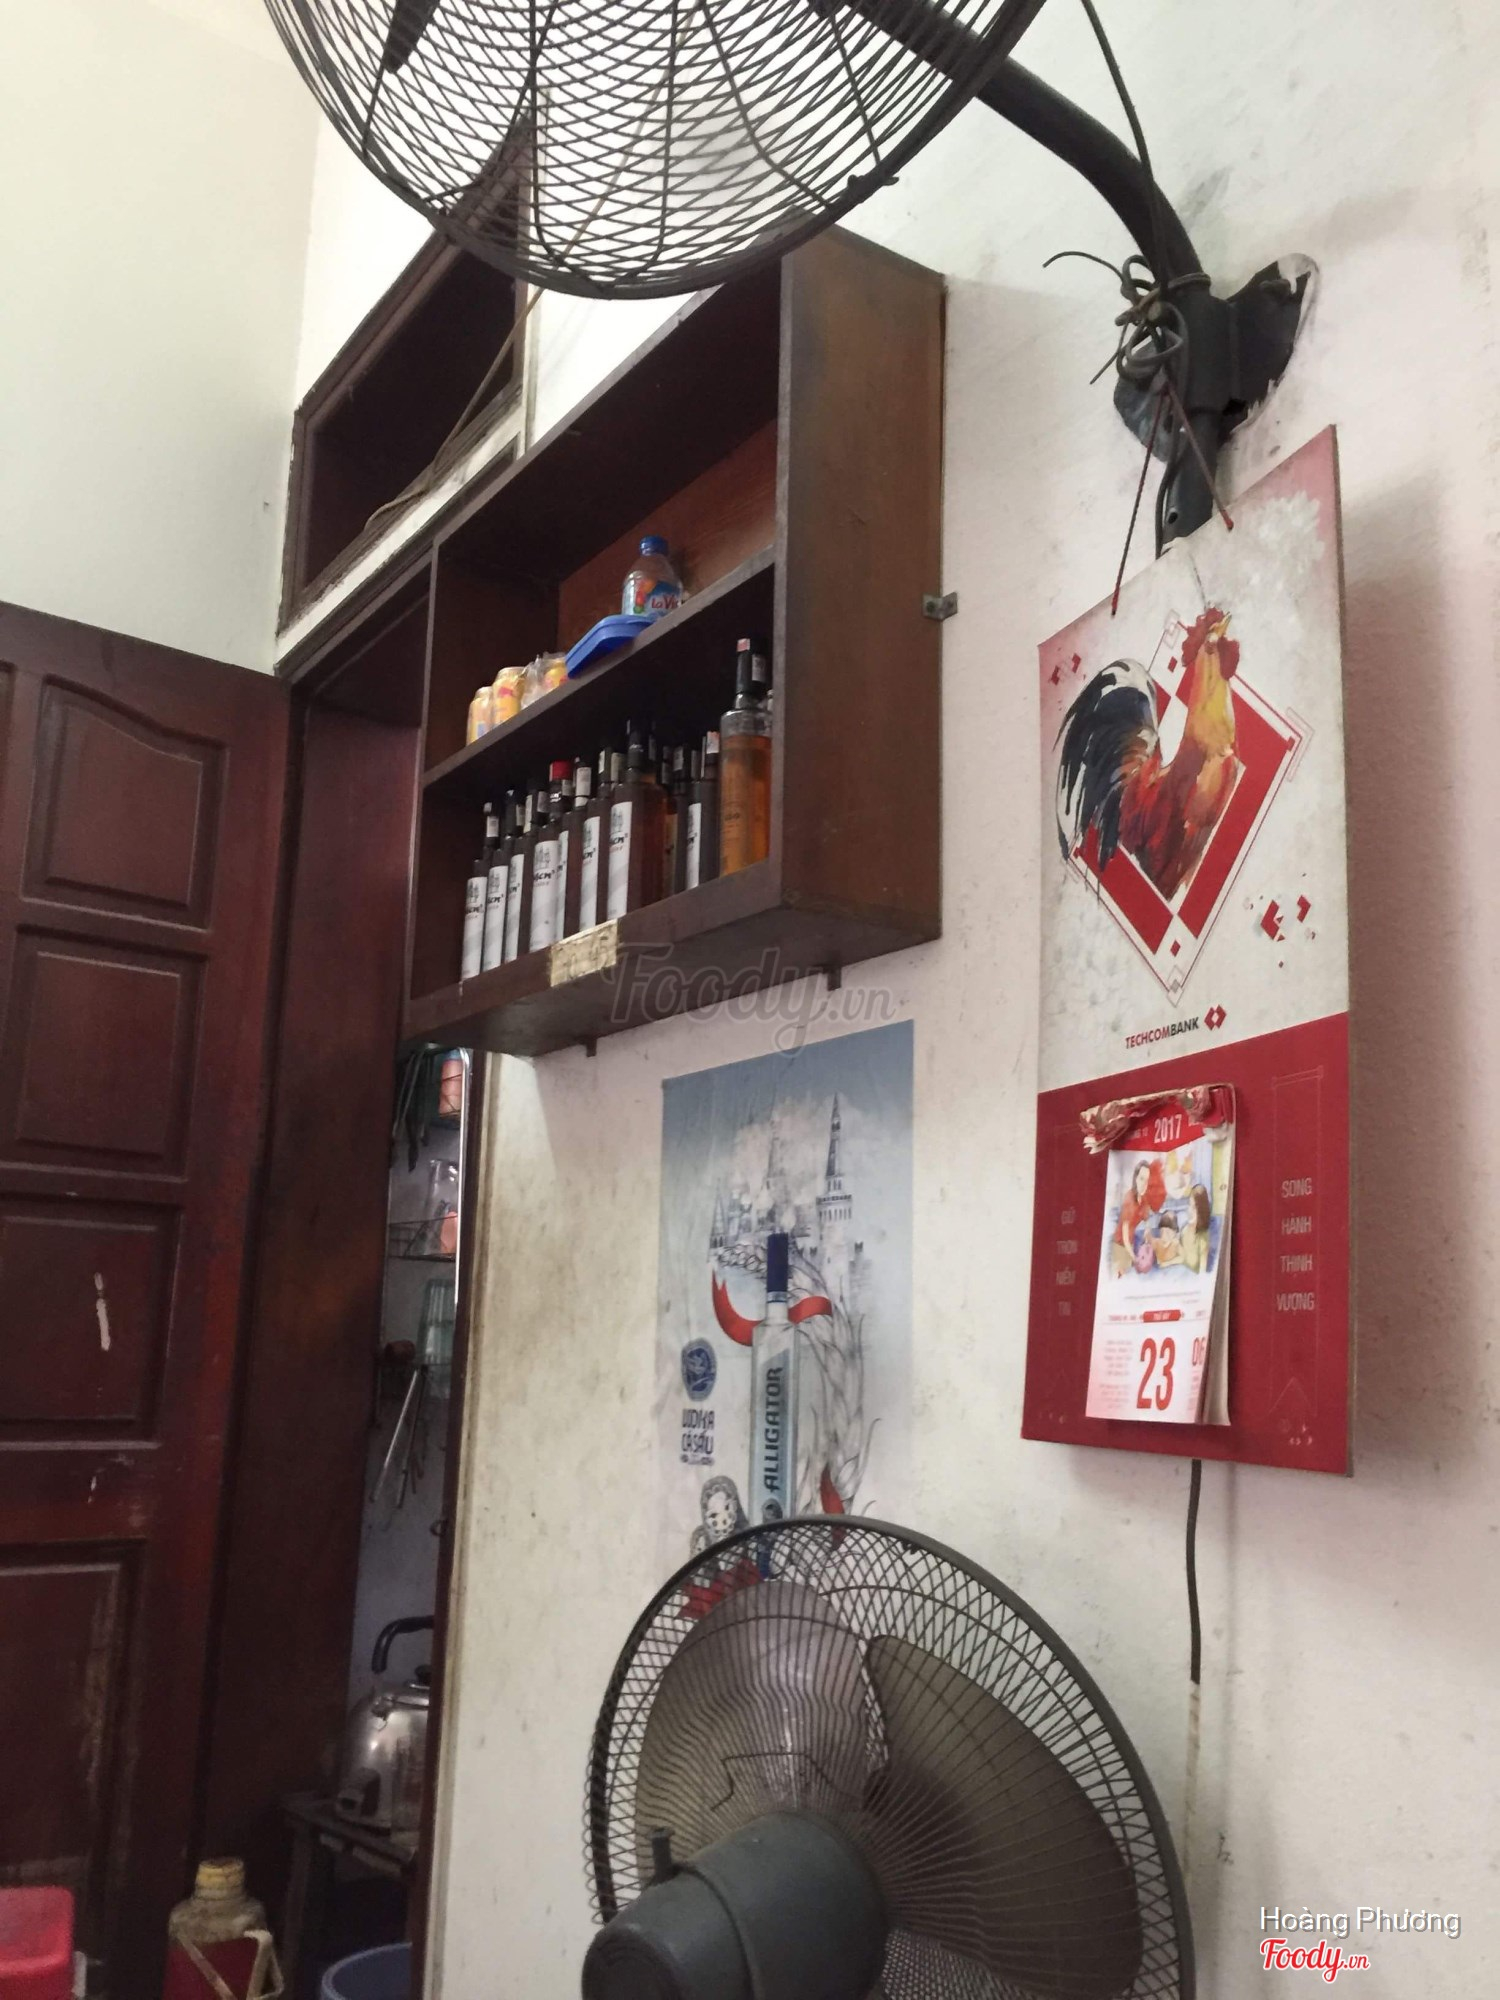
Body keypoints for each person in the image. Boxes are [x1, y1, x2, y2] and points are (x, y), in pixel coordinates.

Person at [1111, 1158, 1163, 1276]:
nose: (1144, 1184)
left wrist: (1147, 1229)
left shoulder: (1143, 1198)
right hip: (1120, 1246)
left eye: (1147, 1180)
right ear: (1135, 1178)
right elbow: (1124, 1237)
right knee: (1120, 1278)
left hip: (1131, 1243)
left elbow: (1146, 1217)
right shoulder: (1129, 1200)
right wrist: (1135, 1258)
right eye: (1141, 1179)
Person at [1180, 1184, 1213, 1273]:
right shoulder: (1184, 1231)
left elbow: (1202, 1272)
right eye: (1189, 1205)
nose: (1189, 1211)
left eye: (1194, 1208)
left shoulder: (1203, 1239)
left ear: (1201, 1211)